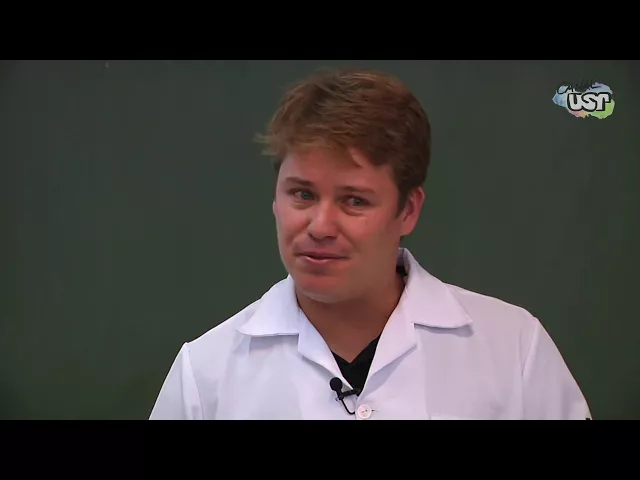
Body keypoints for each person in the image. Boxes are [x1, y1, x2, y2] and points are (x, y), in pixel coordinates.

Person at [149, 67, 591, 420]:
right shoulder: (205, 373)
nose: (320, 225)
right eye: (302, 194)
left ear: (408, 210)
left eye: (354, 200)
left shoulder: (514, 349)